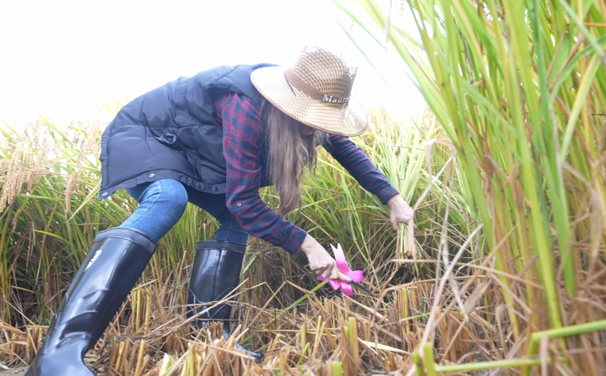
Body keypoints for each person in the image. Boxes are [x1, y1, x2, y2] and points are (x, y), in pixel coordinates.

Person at [25, 44, 414, 375]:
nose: (317, 128)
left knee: (232, 219)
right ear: (291, 103)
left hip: (197, 155)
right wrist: (308, 245)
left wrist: (392, 197)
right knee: (168, 198)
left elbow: (343, 146)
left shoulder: (304, 117)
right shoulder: (244, 103)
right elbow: (246, 202)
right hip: (147, 137)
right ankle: (59, 354)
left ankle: (213, 338)